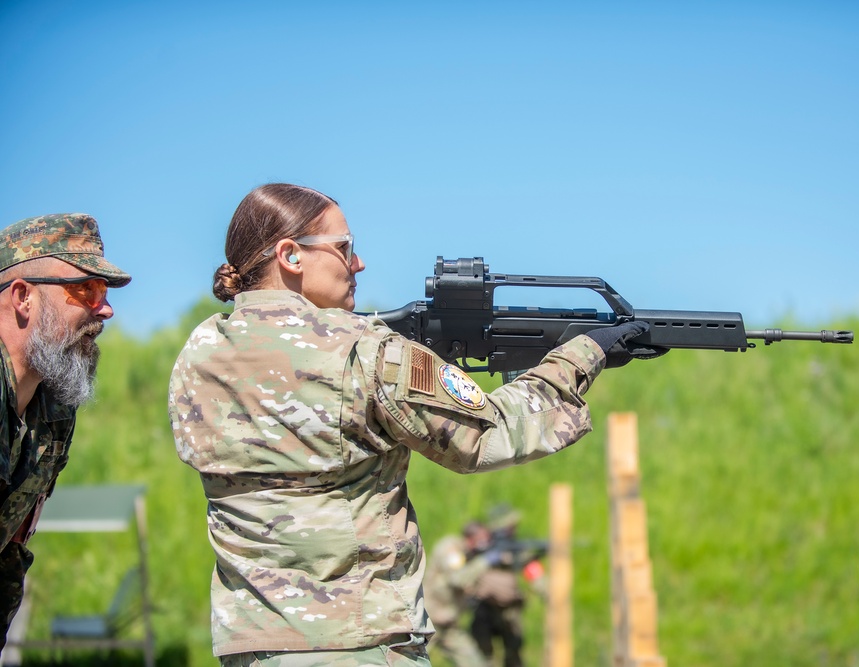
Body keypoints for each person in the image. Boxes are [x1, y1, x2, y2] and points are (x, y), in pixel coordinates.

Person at [167, 182, 658, 666]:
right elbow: (488, 434)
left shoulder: (199, 352)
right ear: (291, 256)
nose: (358, 264)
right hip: (361, 644)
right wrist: (582, 355)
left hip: (251, 646)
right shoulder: (365, 350)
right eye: (345, 248)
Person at [0, 213, 130, 648]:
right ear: (23, 297)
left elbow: (10, 547)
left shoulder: (53, 406)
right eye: (85, 289)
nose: (106, 308)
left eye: (105, 291)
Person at [469, 506, 532, 667]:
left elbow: (532, 570)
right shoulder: (481, 549)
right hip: (484, 609)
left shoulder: (514, 550)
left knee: (513, 655)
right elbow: (462, 575)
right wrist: (487, 559)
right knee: (482, 656)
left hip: (509, 611)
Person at [423, 521, 493, 667]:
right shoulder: (451, 549)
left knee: (474, 663)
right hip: (429, 622)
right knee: (411, 661)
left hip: (449, 624)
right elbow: (458, 579)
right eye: (483, 538)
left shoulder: (468, 554)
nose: (486, 542)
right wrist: (484, 562)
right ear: (472, 537)